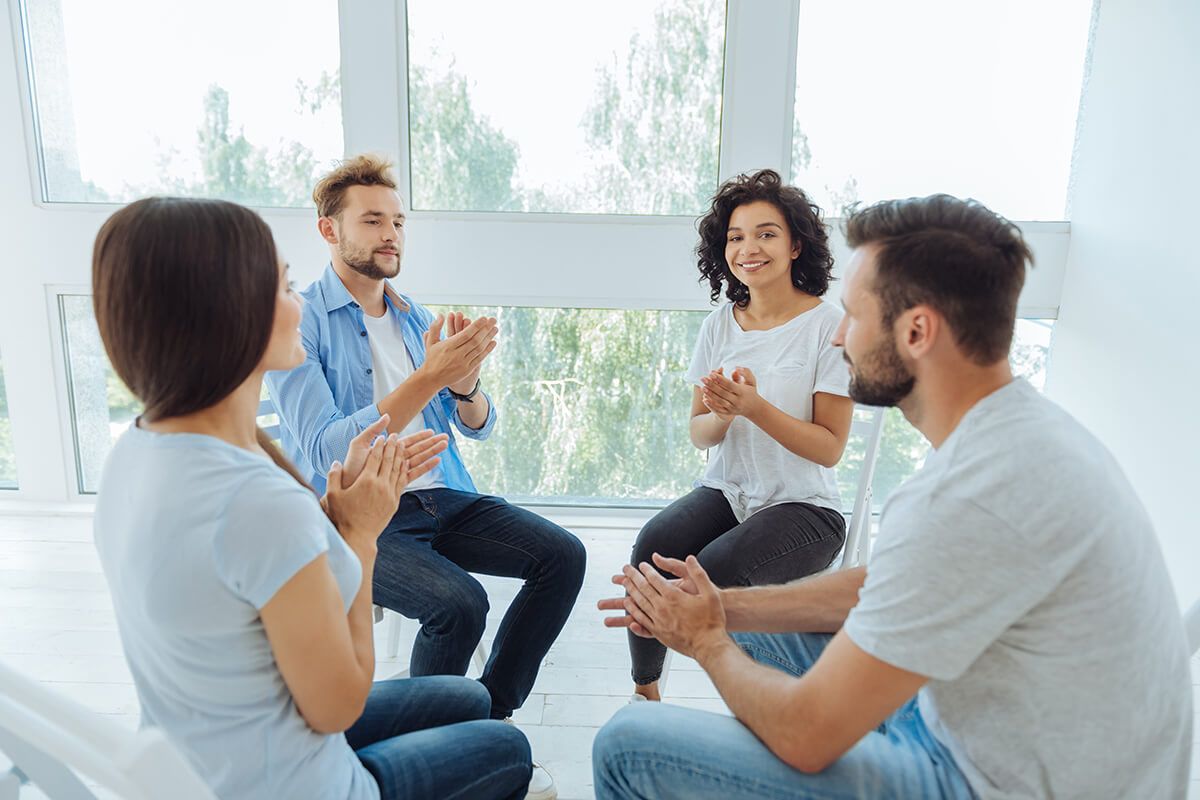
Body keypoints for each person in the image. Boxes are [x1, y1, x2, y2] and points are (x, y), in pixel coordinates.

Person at [595, 194, 1193, 799]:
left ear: (916, 331)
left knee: (624, 746)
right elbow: (882, 584)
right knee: (745, 619)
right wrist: (725, 609)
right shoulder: (1012, 434)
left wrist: (705, 639)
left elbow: (807, 735)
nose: (837, 338)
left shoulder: (968, 494)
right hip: (980, 723)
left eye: (854, 315)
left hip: (987, 780)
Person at [91, 196, 533, 800]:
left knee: (470, 697)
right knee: (507, 749)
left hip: (205, 748)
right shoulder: (257, 502)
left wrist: (335, 513)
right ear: (227, 315)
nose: (297, 304)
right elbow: (338, 707)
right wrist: (359, 537)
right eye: (284, 286)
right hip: (289, 782)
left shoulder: (135, 450)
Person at [265, 154, 586, 800]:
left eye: (399, 222)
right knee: (458, 605)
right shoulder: (299, 326)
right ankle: (432, 759)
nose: (391, 235)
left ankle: (483, 719)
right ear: (329, 231)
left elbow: (476, 424)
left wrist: (465, 384)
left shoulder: (413, 318)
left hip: (445, 497)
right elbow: (328, 447)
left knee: (563, 556)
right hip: (364, 515)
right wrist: (430, 376)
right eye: (373, 220)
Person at [627, 169, 853, 702]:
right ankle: (646, 693)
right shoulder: (720, 326)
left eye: (766, 233)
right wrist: (727, 415)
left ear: (797, 245)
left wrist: (755, 407)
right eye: (735, 236)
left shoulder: (828, 326)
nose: (748, 247)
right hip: (729, 493)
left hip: (805, 508)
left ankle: (758, 704)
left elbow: (830, 446)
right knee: (652, 549)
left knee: (717, 570)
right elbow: (699, 433)